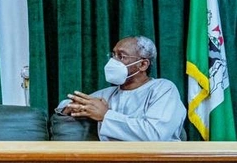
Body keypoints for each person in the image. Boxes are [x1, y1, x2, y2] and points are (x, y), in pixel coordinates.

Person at [56, 35, 187, 141]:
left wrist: (105, 115)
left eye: (121, 56)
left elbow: (154, 135)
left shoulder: (163, 88)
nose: (113, 61)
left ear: (142, 64)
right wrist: (70, 107)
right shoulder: (109, 93)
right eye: (113, 55)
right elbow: (67, 104)